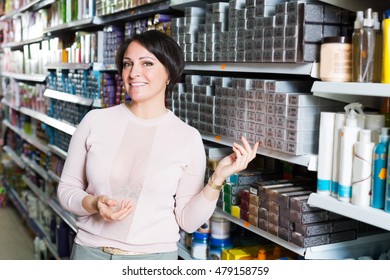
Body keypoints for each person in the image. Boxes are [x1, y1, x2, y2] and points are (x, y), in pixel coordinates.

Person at [57, 30, 259, 260]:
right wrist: (93, 203)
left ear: (169, 74)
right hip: (89, 254)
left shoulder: (187, 138)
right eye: (127, 64)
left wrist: (218, 178)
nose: (134, 73)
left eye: (147, 63)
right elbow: (66, 190)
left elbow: (189, 221)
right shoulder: (95, 121)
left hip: (155, 259)